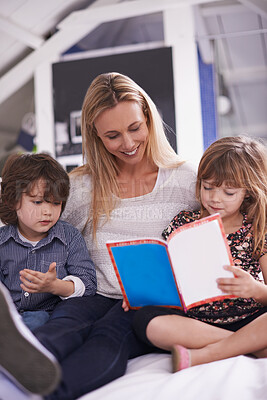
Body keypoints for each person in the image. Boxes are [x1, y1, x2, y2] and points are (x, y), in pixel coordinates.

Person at [0, 72, 199, 399]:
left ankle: (49, 394)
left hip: (149, 304)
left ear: (148, 117)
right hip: (93, 293)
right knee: (62, 327)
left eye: (135, 128)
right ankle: (12, 377)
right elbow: (37, 222)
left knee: (108, 338)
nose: (129, 143)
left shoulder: (186, 180)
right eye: (113, 135)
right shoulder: (81, 186)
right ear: (95, 135)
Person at [133, 135, 267, 372]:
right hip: (197, 325)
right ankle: (249, 347)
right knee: (147, 321)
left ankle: (207, 355)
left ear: (247, 192)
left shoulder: (257, 228)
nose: (215, 198)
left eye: (229, 192)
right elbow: (162, 275)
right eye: (208, 187)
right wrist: (142, 292)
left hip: (251, 318)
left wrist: (255, 289)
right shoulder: (183, 222)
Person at [0, 153, 97, 331]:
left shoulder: (70, 237)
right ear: (11, 200)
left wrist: (56, 286)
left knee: (38, 319)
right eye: (37, 202)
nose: (47, 211)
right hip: (9, 318)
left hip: (52, 318)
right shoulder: (2, 242)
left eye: (55, 203)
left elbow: (88, 283)